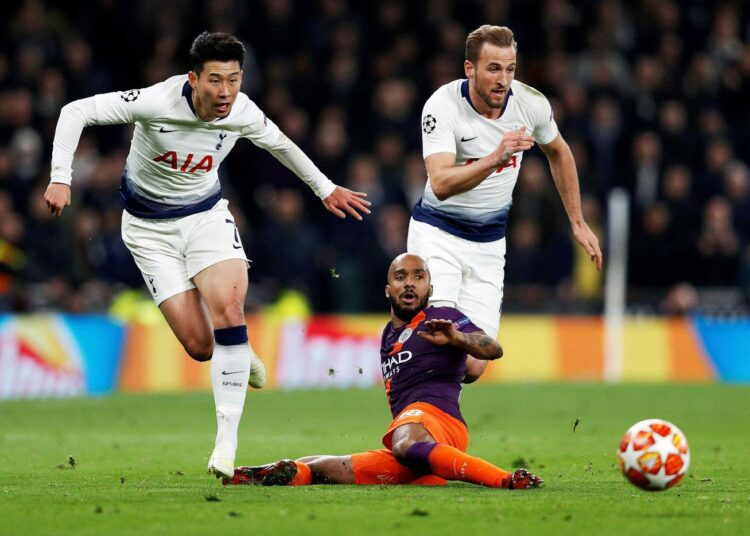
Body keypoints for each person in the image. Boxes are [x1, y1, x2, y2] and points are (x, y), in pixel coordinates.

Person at [43, 32, 371, 478]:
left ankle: (225, 444)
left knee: (230, 309)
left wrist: (325, 188)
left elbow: (282, 146)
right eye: (215, 80)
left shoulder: (243, 111)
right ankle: (241, 350)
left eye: (234, 80)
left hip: (205, 218)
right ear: (193, 78)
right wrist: (61, 177)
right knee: (200, 346)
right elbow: (75, 110)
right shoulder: (157, 101)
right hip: (147, 230)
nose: (225, 92)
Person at [223, 253, 542, 490]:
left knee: (403, 443)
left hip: (439, 421)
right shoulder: (388, 336)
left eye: (418, 277)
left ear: (429, 288)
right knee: (319, 468)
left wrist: (457, 338)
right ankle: (257, 474)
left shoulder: (442, 317)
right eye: (401, 276)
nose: (409, 283)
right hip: (415, 439)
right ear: (388, 289)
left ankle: (505, 480)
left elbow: (493, 349)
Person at [407, 25, 603, 382]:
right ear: (470, 69)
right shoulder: (442, 106)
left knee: (474, 365)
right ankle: (423, 426)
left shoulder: (530, 105)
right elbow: (441, 182)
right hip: (438, 234)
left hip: (489, 245)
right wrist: (495, 157)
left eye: (510, 69)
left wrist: (577, 221)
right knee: (438, 339)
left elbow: (559, 152)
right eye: (493, 68)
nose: (503, 80)